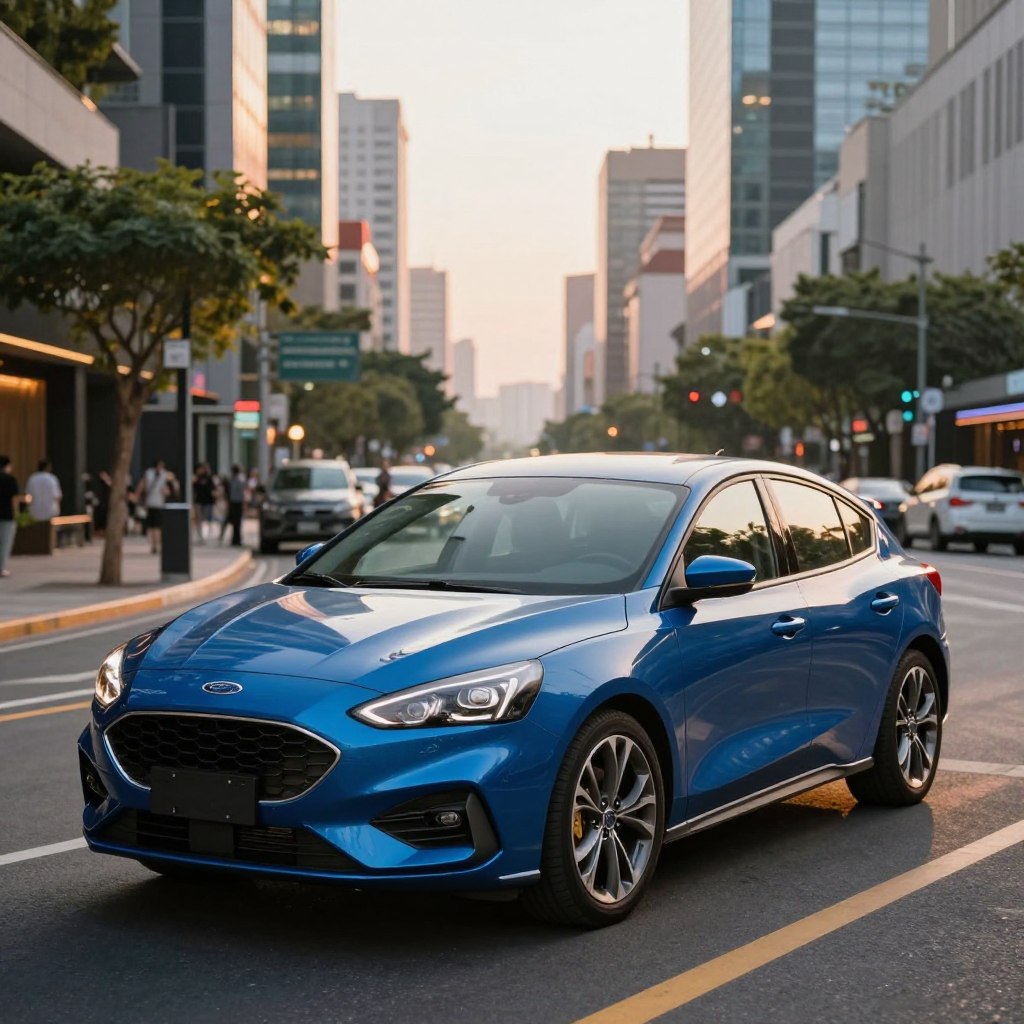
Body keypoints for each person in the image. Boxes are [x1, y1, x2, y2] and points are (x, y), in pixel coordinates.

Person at [136, 459, 169, 554]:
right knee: (152, 526)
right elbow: (142, 484)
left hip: (159, 504)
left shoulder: (164, 474)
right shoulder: (149, 473)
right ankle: (153, 545)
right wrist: (137, 495)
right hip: (150, 503)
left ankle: (157, 545)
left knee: (157, 526)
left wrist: (166, 491)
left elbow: (167, 488)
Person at [0, 456, 21, 578]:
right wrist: (16, 513)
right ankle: (1, 568)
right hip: (7, 516)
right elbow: (14, 499)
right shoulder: (10, 480)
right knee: (5, 543)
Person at [193, 463, 215, 543]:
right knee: (199, 519)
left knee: (207, 519)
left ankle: (206, 536)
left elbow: (213, 489)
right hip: (199, 501)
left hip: (208, 501)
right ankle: (200, 536)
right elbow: (194, 488)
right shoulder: (197, 478)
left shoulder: (210, 478)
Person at [226, 464, 246, 547]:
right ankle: (235, 539)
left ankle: (237, 539)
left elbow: (239, 493)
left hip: (237, 503)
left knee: (237, 522)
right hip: (234, 503)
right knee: (235, 522)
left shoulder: (237, 480)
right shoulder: (234, 480)